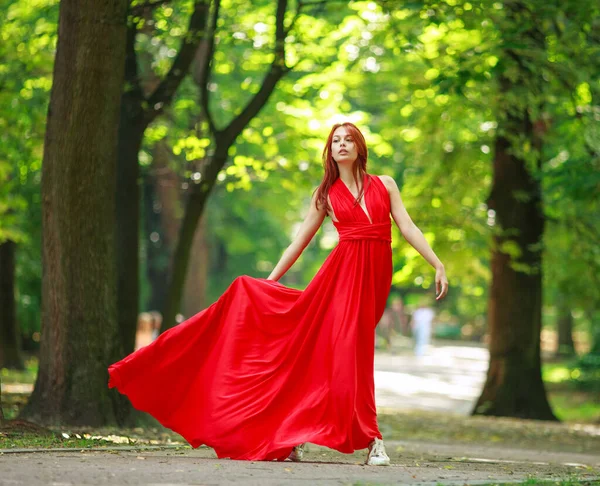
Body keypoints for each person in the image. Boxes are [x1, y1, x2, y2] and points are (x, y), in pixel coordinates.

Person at [108, 122, 449, 466]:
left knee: (329, 358)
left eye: (349, 140)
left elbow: (407, 226)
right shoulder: (326, 195)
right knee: (349, 358)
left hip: (373, 283)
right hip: (341, 280)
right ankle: (373, 440)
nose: (342, 145)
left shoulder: (385, 185)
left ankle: (295, 432)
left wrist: (437, 264)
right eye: (336, 141)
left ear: (360, 147)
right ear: (329, 151)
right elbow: (297, 243)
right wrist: (269, 282)